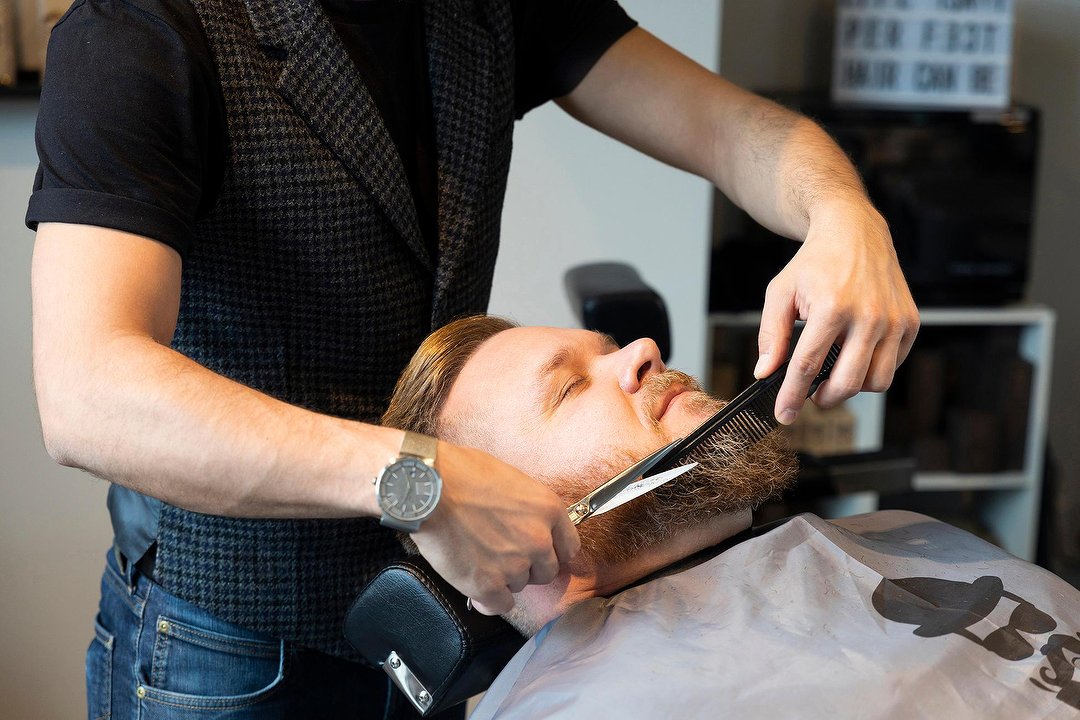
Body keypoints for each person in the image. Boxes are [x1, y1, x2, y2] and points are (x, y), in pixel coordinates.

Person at [27, 0, 918, 717]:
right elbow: (88, 392)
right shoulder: (141, 32)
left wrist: (843, 215)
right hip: (238, 641)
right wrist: (419, 479)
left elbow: (734, 132)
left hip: (474, 620)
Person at [381, 315, 1080, 718]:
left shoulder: (895, 533)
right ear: (485, 532)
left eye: (609, 348)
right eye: (569, 386)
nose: (641, 351)